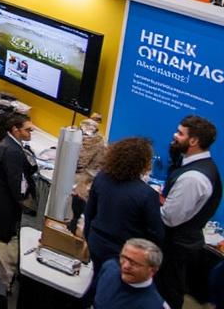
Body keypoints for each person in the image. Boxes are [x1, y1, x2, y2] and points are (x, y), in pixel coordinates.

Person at [157, 115, 219, 309]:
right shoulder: (199, 167)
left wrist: (147, 202)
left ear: (194, 141)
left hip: (175, 250)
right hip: (179, 246)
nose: (174, 136)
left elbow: (169, 218)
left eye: (180, 133)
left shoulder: (193, 178)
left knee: (167, 295)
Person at [84, 137, 164, 269]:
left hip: (96, 243)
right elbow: (156, 234)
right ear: (143, 163)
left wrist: (90, 238)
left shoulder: (102, 178)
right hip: (125, 255)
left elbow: (89, 213)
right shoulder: (147, 195)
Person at [0, 111, 38, 288]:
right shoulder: (12, 151)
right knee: (2, 245)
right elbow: (17, 184)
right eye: (28, 130)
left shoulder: (4, 144)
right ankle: (1, 285)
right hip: (5, 207)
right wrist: (25, 200)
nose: (30, 133)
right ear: (15, 129)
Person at [92, 239, 169, 309]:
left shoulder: (155, 305)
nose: (125, 266)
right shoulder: (109, 269)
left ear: (152, 271)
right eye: (123, 258)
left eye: (134, 263)